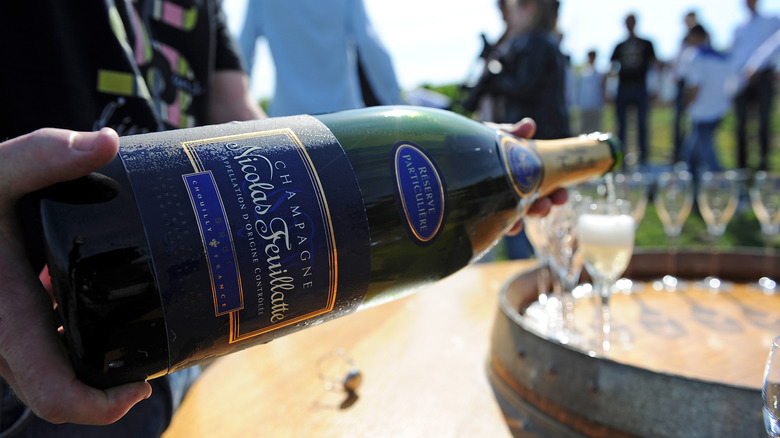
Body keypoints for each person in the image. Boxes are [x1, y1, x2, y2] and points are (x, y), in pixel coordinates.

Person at [238, 0, 402, 116]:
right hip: (345, 118)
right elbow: (369, 43)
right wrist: (395, 103)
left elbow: (242, 53)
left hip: (289, 122)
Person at [729, 0, 780, 171]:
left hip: (763, 76)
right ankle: (741, 166)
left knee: (763, 122)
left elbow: (775, 44)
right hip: (741, 79)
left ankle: (763, 165)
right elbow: (734, 54)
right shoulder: (739, 27)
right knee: (740, 123)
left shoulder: (772, 21)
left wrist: (756, 66)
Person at [678, 25, 731, 176]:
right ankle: (692, 186)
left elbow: (695, 85)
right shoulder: (720, 57)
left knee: (708, 156)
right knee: (691, 152)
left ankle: (723, 185)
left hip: (702, 111)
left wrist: (686, 103)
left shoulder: (695, 56)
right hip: (718, 109)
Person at [610, 13, 657, 167]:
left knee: (642, 124)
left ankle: (643, 159)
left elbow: (654, 65)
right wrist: (609, 91)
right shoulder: (619, 45)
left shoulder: (646, 43)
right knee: (621, 125)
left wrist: (655, 88)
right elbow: (612, 67)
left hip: (640, 88)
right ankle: (621, 159)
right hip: (623, 88)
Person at [671, 10, 700, 162]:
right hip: (682, 83)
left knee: (694, 121)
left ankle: (694, 155)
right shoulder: (683, 39)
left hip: (694, 83)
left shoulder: (701, 36)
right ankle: (679, 154)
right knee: (678, 121)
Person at [575, 49, 606, 133]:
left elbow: (603, 88)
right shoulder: (583, 73)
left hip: (596, 105)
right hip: (585, 106)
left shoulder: (600, 73)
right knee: (584, 130)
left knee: (595, 130)